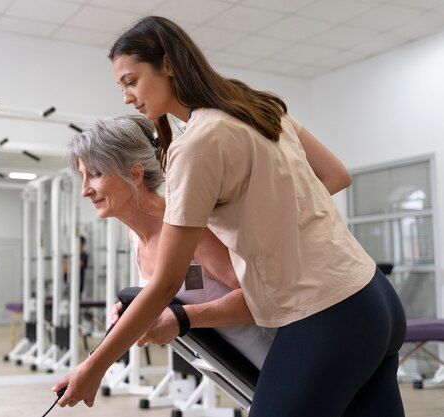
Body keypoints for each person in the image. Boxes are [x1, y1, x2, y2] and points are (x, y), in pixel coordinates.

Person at [54, 16, 407, 417]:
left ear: (167, 65)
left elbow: (168, 280)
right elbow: (335, 175)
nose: (127, 97)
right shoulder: (257, 105)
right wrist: (269, 218)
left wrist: (93, 366)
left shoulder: (196, 145)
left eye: (131, 81)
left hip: (327, 311)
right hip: (374, 296)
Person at [66, 115, 273, 369]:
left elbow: (262, 300)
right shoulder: (135, 238)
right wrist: (136, 310)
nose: (85, 189)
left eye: (95, 174)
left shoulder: (188, 228)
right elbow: (168, 296)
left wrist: (183, 317)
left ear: (135, 174)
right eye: (83, 176)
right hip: (233, 374)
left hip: (277, 363)